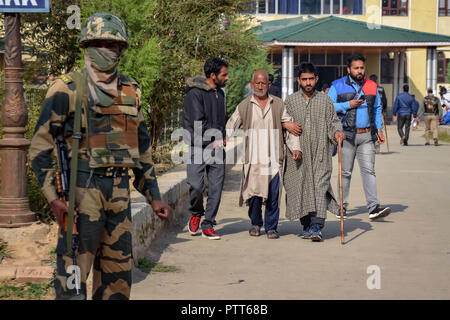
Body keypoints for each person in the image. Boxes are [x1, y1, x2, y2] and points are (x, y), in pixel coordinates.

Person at [29, 12, 170, 300]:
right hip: (81, 194)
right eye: (102, 43)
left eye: (116, 45)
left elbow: (142, 149)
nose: (110, 50)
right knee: (72, 282)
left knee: (117, 282)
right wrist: (54, 198)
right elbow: (40, 146)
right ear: (88, 46)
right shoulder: (66, 88)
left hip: (119, 193)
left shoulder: (131, 90)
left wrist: (153, 195)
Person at [226, 70, 301, 239]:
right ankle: (255, 223)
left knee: (274, 194)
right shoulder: (244, 105)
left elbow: (289, 129)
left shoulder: (279, 104)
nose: (260, 86)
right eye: (257, 83)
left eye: (263, 83)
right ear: (252, 85)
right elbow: (231, 124)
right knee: (253, 195)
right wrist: (222, 138)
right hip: (252, 158)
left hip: (273, 158)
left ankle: (271, 227)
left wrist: (295, 148)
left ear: (269, 85)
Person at [283, 63, 345, 242]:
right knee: (299, 189)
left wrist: (337, 133)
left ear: (316, 79)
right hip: (298, 156)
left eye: (311, 79)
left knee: (319, 188)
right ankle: (306, 225)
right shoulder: (290, 101)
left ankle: (317, 226)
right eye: (304, 79)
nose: (308, 82)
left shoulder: (325, 101)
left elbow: (333, 122)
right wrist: (285, 124)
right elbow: (281, 120)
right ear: (298, 80)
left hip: (320, 154)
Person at [328, 54, 391, 220]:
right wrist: (347, 105)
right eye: (356, 68)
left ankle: (373, 207)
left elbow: (377, 107)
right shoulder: (337, 85)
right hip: (346, 136)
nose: (359, 71)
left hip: (366, 136)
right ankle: (342, 207)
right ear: (349, 69)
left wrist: (379, 128)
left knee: (369, 171)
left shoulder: (371, 86)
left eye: (362, 68)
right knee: (345, 173)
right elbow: (328, 107)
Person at [183, 57, 229, 240]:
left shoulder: (220, 94)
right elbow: (196, 123)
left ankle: (208, 224)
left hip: (217, 148)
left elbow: (220, 118)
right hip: (197, 147)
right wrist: (214, 137)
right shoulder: (195, 94)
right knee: (195, 185)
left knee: (216, 188)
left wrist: (223, 133)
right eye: (224, 75)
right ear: (212, 75)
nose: (227, 78)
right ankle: (196, 213)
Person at [369, 74, 387, 153]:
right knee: (379, 126)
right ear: (376, 80)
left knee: (371, 127)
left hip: (369, 110)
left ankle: (372, 143)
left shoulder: (367, 88)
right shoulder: (380, 89)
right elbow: (384, 100)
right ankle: (377, 145)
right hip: (379, 110)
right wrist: (384, 109)